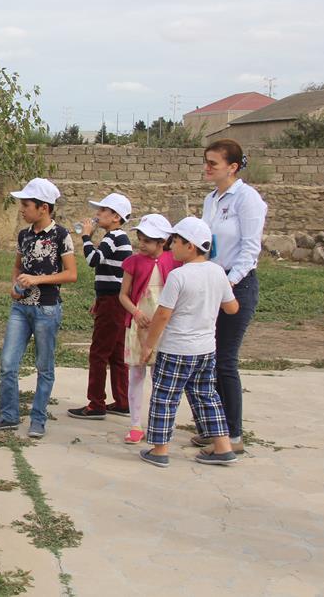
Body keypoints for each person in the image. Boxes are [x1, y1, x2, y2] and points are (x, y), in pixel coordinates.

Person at [138, 217, 240, 468]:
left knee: (165, 397)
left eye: (175, 241)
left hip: (176, 349)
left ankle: (160, 450)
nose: (171, 246)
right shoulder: (217, 271)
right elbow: (232, 307)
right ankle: (223, 447)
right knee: (208, 396)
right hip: (206, 349)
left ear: (190, 246)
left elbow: (163, 314)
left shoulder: (178, 276)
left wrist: (149, 345)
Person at [0, 178, 77, 438]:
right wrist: (14, 284)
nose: (22, 210)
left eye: (26, 205)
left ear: (43, 207)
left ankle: (38, 419)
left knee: (44, 367)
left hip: (47, 310)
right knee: (7, 364)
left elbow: (71, 274)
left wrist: (37, 280)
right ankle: (10, 415)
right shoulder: (24, 235)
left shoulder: (61, 235)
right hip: (20, 309)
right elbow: (17, 266)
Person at [197, 139, 267, 455]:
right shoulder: (211, 199)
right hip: (212, 283)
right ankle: (215, 428)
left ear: (233, 167)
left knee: (225, 360)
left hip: (237, 286)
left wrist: (227, 284)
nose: (207, 168)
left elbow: (250, 250)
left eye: (214, 163)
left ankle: (233, 435)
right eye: (206, 162)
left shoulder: (247, 199)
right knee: (208, 361)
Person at [68, 193, 133, 420]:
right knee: (116, 353)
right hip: (115, 299)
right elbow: (113, 273)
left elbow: (93, 260)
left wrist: (86, 237)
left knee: (98, 353)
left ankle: (96, 404)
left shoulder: (112, 237)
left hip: (112, 302)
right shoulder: (120, 237)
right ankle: (123, 401)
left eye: (103, 211)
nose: (97, 215)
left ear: (116, 217)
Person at [117, 214, 179, 443]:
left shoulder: (174, 262)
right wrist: (136, 312)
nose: (141, 244)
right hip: (139, 324)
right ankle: (135, 423)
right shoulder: (133, 262)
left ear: (163, 242)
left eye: (148, 240)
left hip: (163, 325)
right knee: (136, 374)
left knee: (160, 375)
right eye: (140, 238)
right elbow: (123, 294)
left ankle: (157, 422)